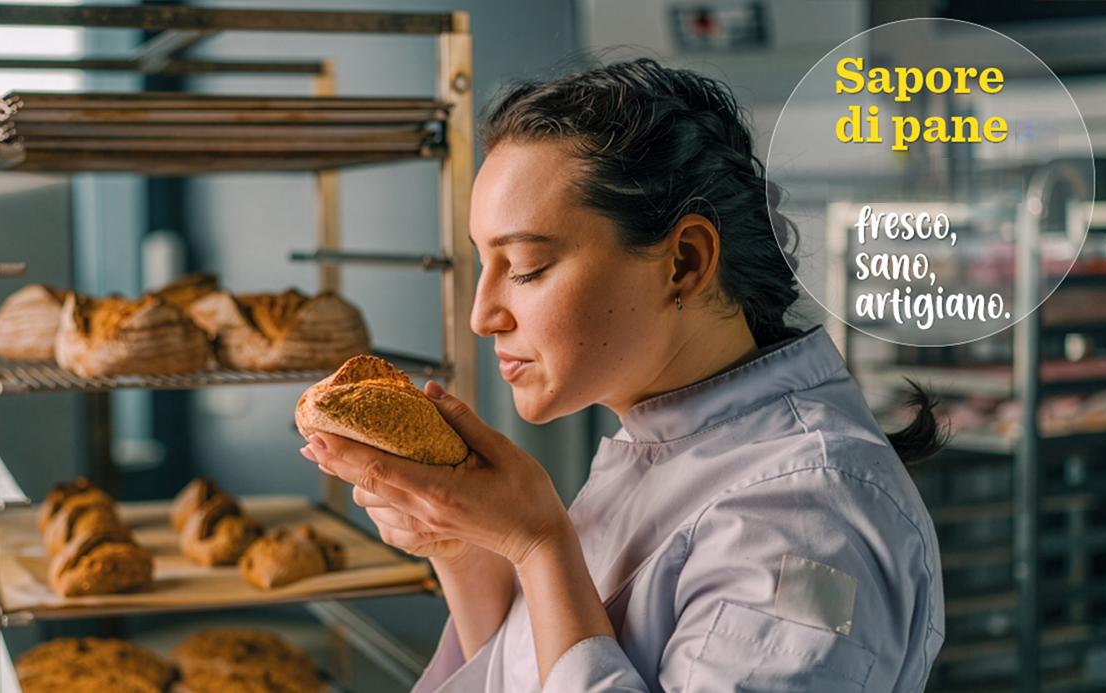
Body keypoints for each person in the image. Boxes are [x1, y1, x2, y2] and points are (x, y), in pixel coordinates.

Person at [299, 59, 945, 693]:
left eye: (524, 267)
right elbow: (525, 671)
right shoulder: (666, 440)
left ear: (684, 261)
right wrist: (465, 548)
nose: (482, 315)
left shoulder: (811, 518)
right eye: (483, 264)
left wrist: (539, 544)